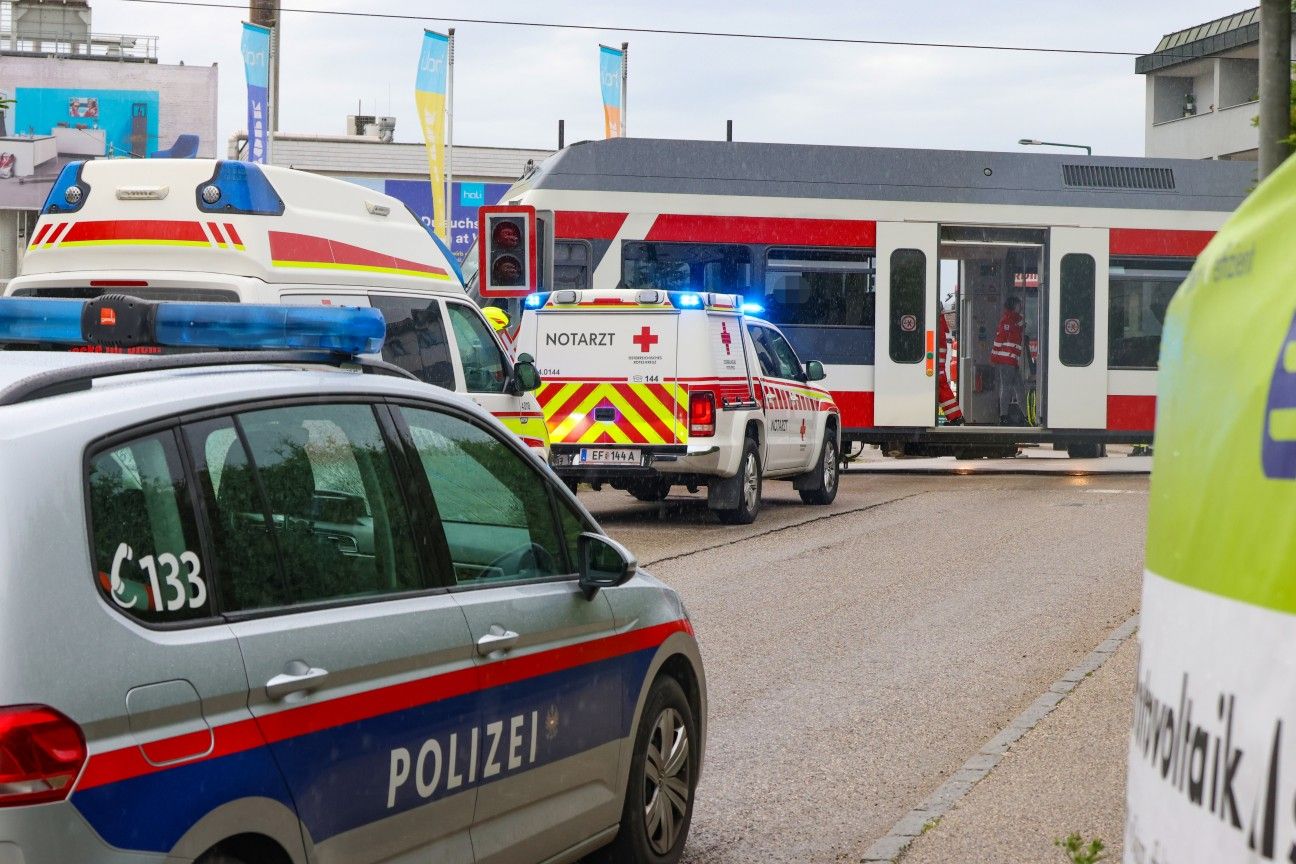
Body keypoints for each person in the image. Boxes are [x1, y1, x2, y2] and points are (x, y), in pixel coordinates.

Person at [991, 296, 1026, 425]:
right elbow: (999, 340)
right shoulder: (1007, 321)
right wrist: (994, 356)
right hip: (1007, 361)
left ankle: (1024, 415)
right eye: (1019, 305)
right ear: (1013, 306)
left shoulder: (1014, 321)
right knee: (1008, 388)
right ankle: (1004, 416)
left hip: (1012, 361)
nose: (1020, 307)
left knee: (1019, 388)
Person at [936, 312, 963, 425]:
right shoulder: (939, 324)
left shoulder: (936, 325)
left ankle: (956, 417)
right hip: (939, 368)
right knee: (943, 390)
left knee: (943, 390)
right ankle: (955, 417)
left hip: (937, 368)